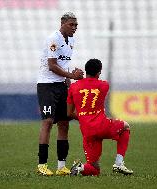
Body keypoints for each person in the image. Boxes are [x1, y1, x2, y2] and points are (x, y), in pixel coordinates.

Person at [67, 58, 133, 176]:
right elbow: (91, 86)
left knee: (93, 168)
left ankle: (80, 167)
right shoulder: (104, 85)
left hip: (87, 131)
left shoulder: (73, 87)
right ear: (99, 72)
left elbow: (69, 114)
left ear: (86, 71)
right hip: (102, 126)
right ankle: (118, 163)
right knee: (126, 127)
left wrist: (83, 118)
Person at [36, 12, 83, 176]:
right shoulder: (53, 39)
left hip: (62, 85)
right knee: (48, 122)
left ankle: (61, 166)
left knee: (64, 122)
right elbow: (52, 66)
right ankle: (42, 165)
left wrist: (70, 87)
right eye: (72, 25)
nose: (74, 28)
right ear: (62, 23)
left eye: (76, 25)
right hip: (46, 85)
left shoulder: (72, 41)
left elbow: (64, 66)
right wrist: (72, 76)